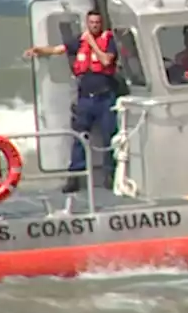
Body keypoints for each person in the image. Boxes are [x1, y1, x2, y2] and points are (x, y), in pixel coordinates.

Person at [23, 10, 120, 193]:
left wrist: (92, 43)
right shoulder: (79, 41)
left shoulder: (109, 41)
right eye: (91, 22)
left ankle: (110, 176)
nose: (94, 26)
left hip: (104, 97)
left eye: (97, 23)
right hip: (85, 98)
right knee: (79, 138)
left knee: (109, 137)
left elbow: (106, 61)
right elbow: (58, 49)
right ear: (87, 23)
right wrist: (38, 50)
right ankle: (74, 177)